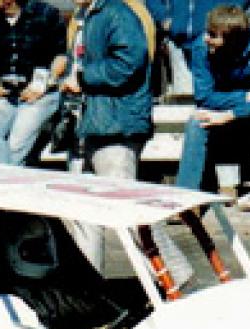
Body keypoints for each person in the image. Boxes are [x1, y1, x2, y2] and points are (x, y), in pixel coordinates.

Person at [57, 0, 193, 283]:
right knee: (83, 211)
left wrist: (83, 78)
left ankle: (176, 275)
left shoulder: (118, 13)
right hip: (90, 123)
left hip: (116, 123)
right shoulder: (85, 15)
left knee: (128, 210)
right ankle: (89, 284)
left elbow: (129, 62)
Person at [175, 4, 250, 193]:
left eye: (213, 34)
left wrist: (232, 114)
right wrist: (247, 96)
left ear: (233, 39)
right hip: (225, 108)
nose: (206, 38)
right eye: (207, 31)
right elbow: (204, 97)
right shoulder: (201, 48)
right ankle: (186, 195)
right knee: (196, 122)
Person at [0, 0, 66, 166]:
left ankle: (8, 175)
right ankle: (0, 175)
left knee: (17, 143)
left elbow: (61, 56)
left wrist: (40, 86)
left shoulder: (47, 14)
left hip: (41, 92)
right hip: (5, 91)